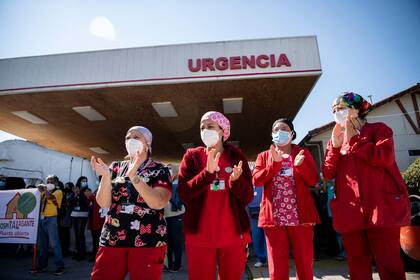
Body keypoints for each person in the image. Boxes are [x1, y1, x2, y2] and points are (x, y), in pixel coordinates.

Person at [322, 92, 410, 279]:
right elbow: (328, 173)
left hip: (381, 209)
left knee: (388, 262)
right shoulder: (337, 140)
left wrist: (355, 139)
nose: (338, 113)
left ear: (356, 109)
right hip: (351, 211)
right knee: (356, 262)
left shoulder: (379, 130)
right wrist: (335, 147)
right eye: (334, 111)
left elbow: (384, 158)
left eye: (342, 108)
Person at [178, 111, 254, 280]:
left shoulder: (236, 156)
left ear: (222, 131)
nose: (205, 130)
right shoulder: (192, 156)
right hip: (199, 237)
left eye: (210, 126)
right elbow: (183, 193)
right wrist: (207, 174)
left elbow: (248, 196)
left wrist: (236, 181)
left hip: (233, 237)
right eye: (202, 127)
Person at [90, 126, 172, 280]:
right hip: (112, 238)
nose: (130, 141)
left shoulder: (159, 170)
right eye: (128, 138)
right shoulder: (115, 167)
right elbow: (104, 203)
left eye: (136, 137)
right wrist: (106, 177)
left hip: (148, 240)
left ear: (147, 144)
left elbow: (159, 203)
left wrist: (134, 176)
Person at [252, 118, 320, 280]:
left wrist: (300, 166)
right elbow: (257, 180)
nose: (279, 132)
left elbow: (313, 180)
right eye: (275, 130)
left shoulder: (302, 153)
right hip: (274, 218)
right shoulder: (264, 156)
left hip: (301, 217)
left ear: (291, 133)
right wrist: (274, 165)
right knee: (277, 264)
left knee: (304, 262)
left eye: (283, 129)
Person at [31, 175, 65, 276]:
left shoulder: (58, 192)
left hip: (52, 219)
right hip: (42, 218)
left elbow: (50, 197)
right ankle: (42, 266)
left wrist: (44, 189)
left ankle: (60, 267)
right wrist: (39, 189)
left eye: (51, 181)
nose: (49, 183)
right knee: (43, 244)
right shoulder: (43, 192)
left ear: (56, 183)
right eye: (48, 181)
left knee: (55, 244)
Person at [163, 164, 185, 272]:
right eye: (168, 169)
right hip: (165, 215)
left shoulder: (180, 183)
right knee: (169, 241)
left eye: (171, 169)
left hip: (177, 215)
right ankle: (169, 264)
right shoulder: (165, 182)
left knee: (176, 241)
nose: (169, 171)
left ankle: (177, 265)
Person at [68, 177, 91, 261]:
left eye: (86, 181)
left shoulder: (87, 190)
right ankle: (77, 252)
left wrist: (78, 195)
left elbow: (85, 200)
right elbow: (70, 200)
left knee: (80, 233)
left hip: (83, 215)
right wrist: (75, 194)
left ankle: (82, 253)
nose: (84, 182)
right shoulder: (75, 189)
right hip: (74, 214)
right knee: (76, 234)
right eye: (83, 181)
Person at [247, 185, 267, 268]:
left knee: (268, 236)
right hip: (252, 209)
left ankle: (269, 258)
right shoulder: (247, 173)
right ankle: (260, 258)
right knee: (256, 236)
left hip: (266, 207)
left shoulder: (264, 172)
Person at [88, 185, 106, 262]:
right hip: (94, 220)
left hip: (100, 221)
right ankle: (95, 255)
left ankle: (99, 256)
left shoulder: (104, 192)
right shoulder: (96, 191)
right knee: (95, 239)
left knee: (99, 240)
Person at [59, 182, 74, 257]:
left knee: (66, 235)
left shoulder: (72, 195)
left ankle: (66, 250)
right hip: (62, 216)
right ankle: (62, 250)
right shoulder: (63, 194)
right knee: (61, 235)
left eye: (68, 187)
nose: (66, 188)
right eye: (65, 186)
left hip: (68, 216)